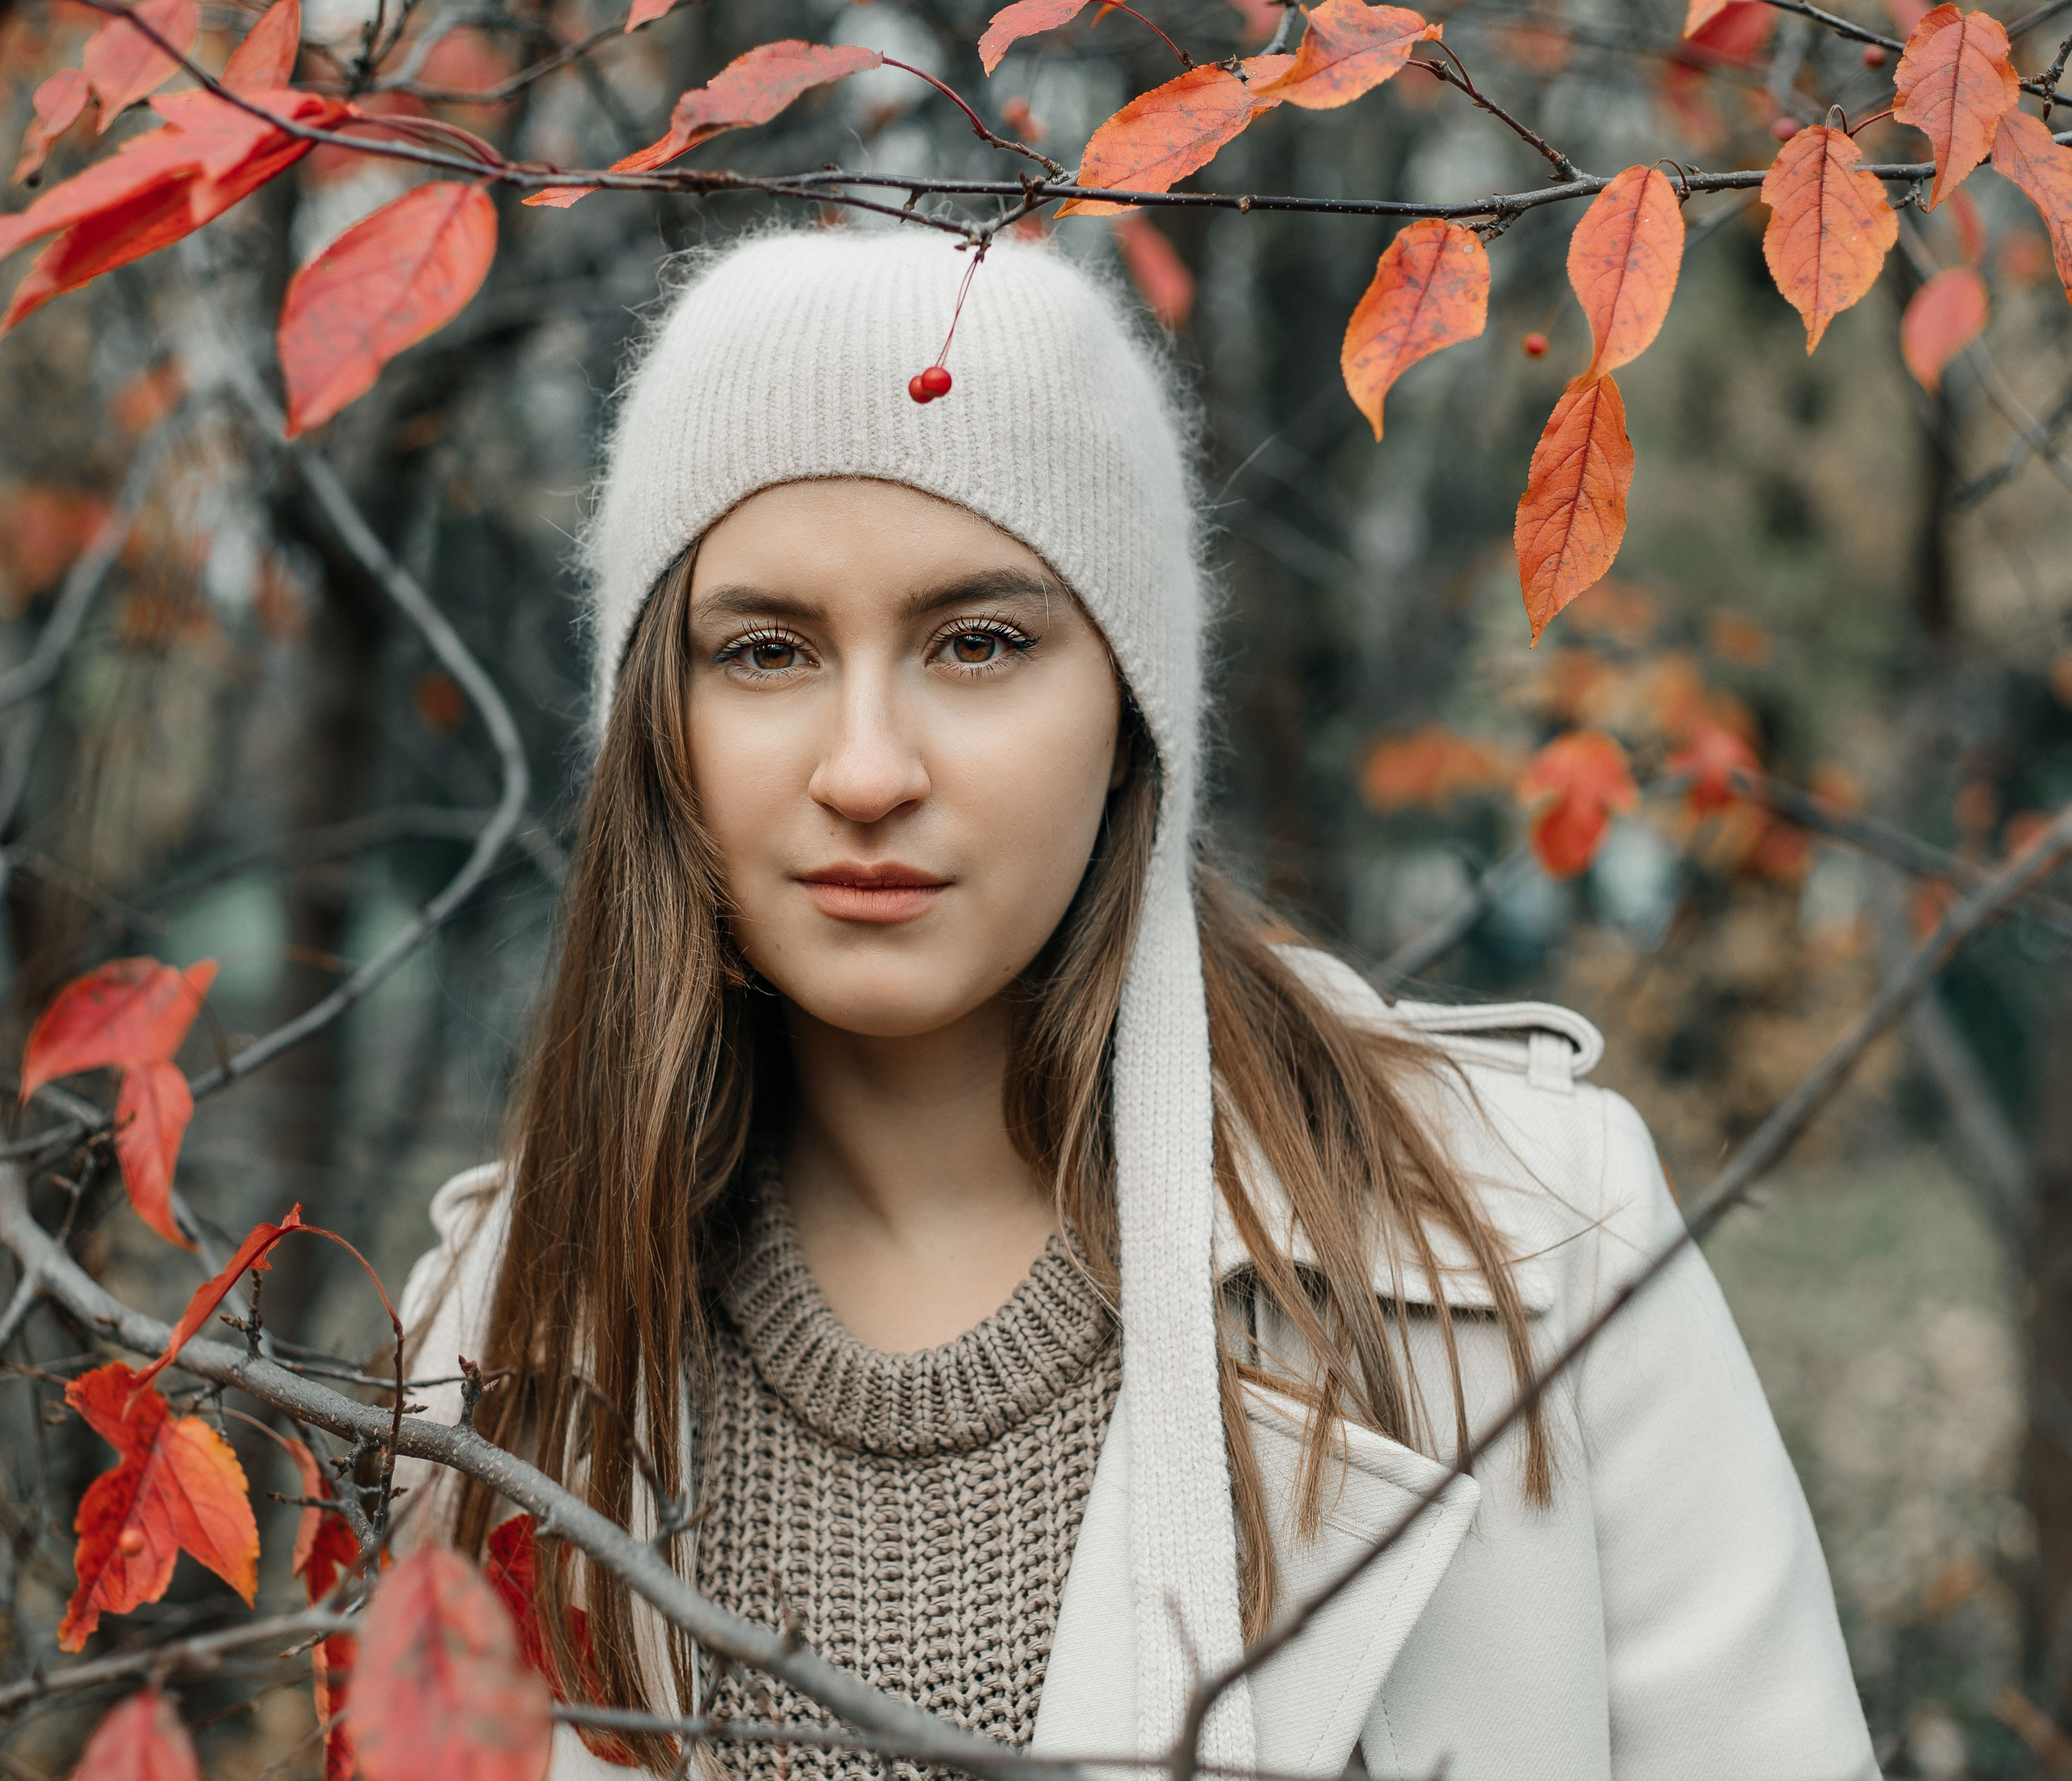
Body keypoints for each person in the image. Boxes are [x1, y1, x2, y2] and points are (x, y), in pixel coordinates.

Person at [397, 227, 1879, 1781]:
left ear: (1129, 711)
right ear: (661, 720)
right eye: (763, 650)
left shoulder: (1530, 1236)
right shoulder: (486, 1350)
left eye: (980, 642)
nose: (866, 770)